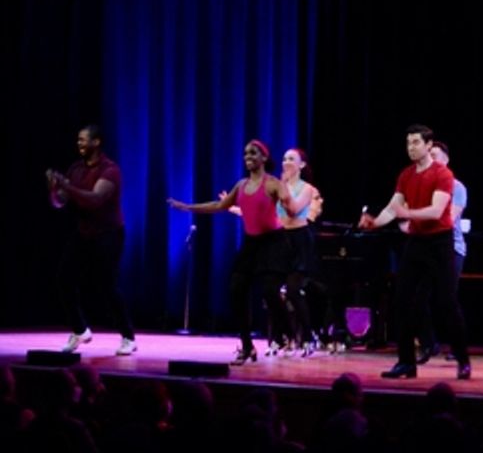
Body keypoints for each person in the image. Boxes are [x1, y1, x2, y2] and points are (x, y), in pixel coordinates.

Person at [167, 139, 301, 365]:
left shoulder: (273, 184)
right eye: (246, 153)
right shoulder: (241, 186)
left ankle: (287, 334)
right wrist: (188, 207)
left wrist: (287, 198)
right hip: (251, 244)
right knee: (236, 289)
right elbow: (219, 205)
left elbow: (293, 210)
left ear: (264, 158)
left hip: (273, 243)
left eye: (253, 153)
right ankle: (247, 346)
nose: (248, 157)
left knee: (270, 291)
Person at [359, 124, 470, 380]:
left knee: (446, 302)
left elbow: (436, 211)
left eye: (416, 142)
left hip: (440, 243)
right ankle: (406, 362)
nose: (411, 147)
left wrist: (406, 213)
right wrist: (374, 222)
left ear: (429, 145)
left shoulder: (443, 174)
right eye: (408, 143)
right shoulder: (406, 175)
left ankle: (463, 359)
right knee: (402, 300)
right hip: (417, 242)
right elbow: (393, 207)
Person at [46, 125, 137, 356]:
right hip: (83, 233)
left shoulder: (110, 170)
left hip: (109, 234)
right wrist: (54, 190)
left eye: (83, 140)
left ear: (96, 142)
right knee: (64, 279)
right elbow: (60, 202)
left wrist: (67, 186)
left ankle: (128, 337)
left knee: (107, 286)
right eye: (78, 140)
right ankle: (80, 330)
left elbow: (95, 199)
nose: (79, 143)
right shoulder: (76, 169)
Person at [415, 140, 468, 363]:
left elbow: (450, 217)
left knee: (447, 300)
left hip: (451, 248)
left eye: (435, 156)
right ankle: (429, 344)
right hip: (427, 247)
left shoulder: (457, 187)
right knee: (417, 297)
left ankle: (458, 349)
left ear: (446, 160)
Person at [276, 147, 322, 357]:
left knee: (293, 290)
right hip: (280, 240)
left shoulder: (308, 189)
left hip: (299, 241)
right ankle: (286, 337)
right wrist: (238, 210)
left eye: (291, 159)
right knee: (272, 290)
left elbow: (293, 210)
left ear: (301, 165)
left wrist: (283, 187)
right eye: (284, 158)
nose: (286, 162)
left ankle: (309, 337)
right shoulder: (278, 186)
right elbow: (270, 212)